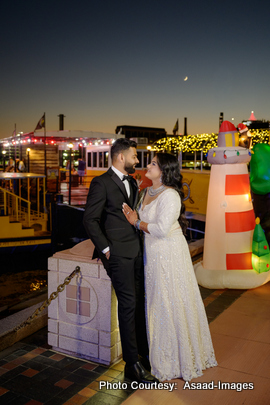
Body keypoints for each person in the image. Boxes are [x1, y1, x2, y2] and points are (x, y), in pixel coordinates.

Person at [122, 152, 217, 382]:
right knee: (157, 302)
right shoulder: (146, 192)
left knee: (169, 301)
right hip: (152, 256)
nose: (149, 166)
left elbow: (162, 228)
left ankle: (177, 359)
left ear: (164, 170)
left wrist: (136, 222)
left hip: (169, 255)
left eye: (154, 163)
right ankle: (159, 356)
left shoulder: (171, 195)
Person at [83, 138, 158, 384]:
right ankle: (132, 364)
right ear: (120, 157)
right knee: (127, 306)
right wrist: (106, 249)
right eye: (134, 156)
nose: (138, 161)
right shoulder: (101, 183)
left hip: (136, 252)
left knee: (137, 304)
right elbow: (90, 220)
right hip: (117, 255)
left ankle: (142, 356)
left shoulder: (133, 183)